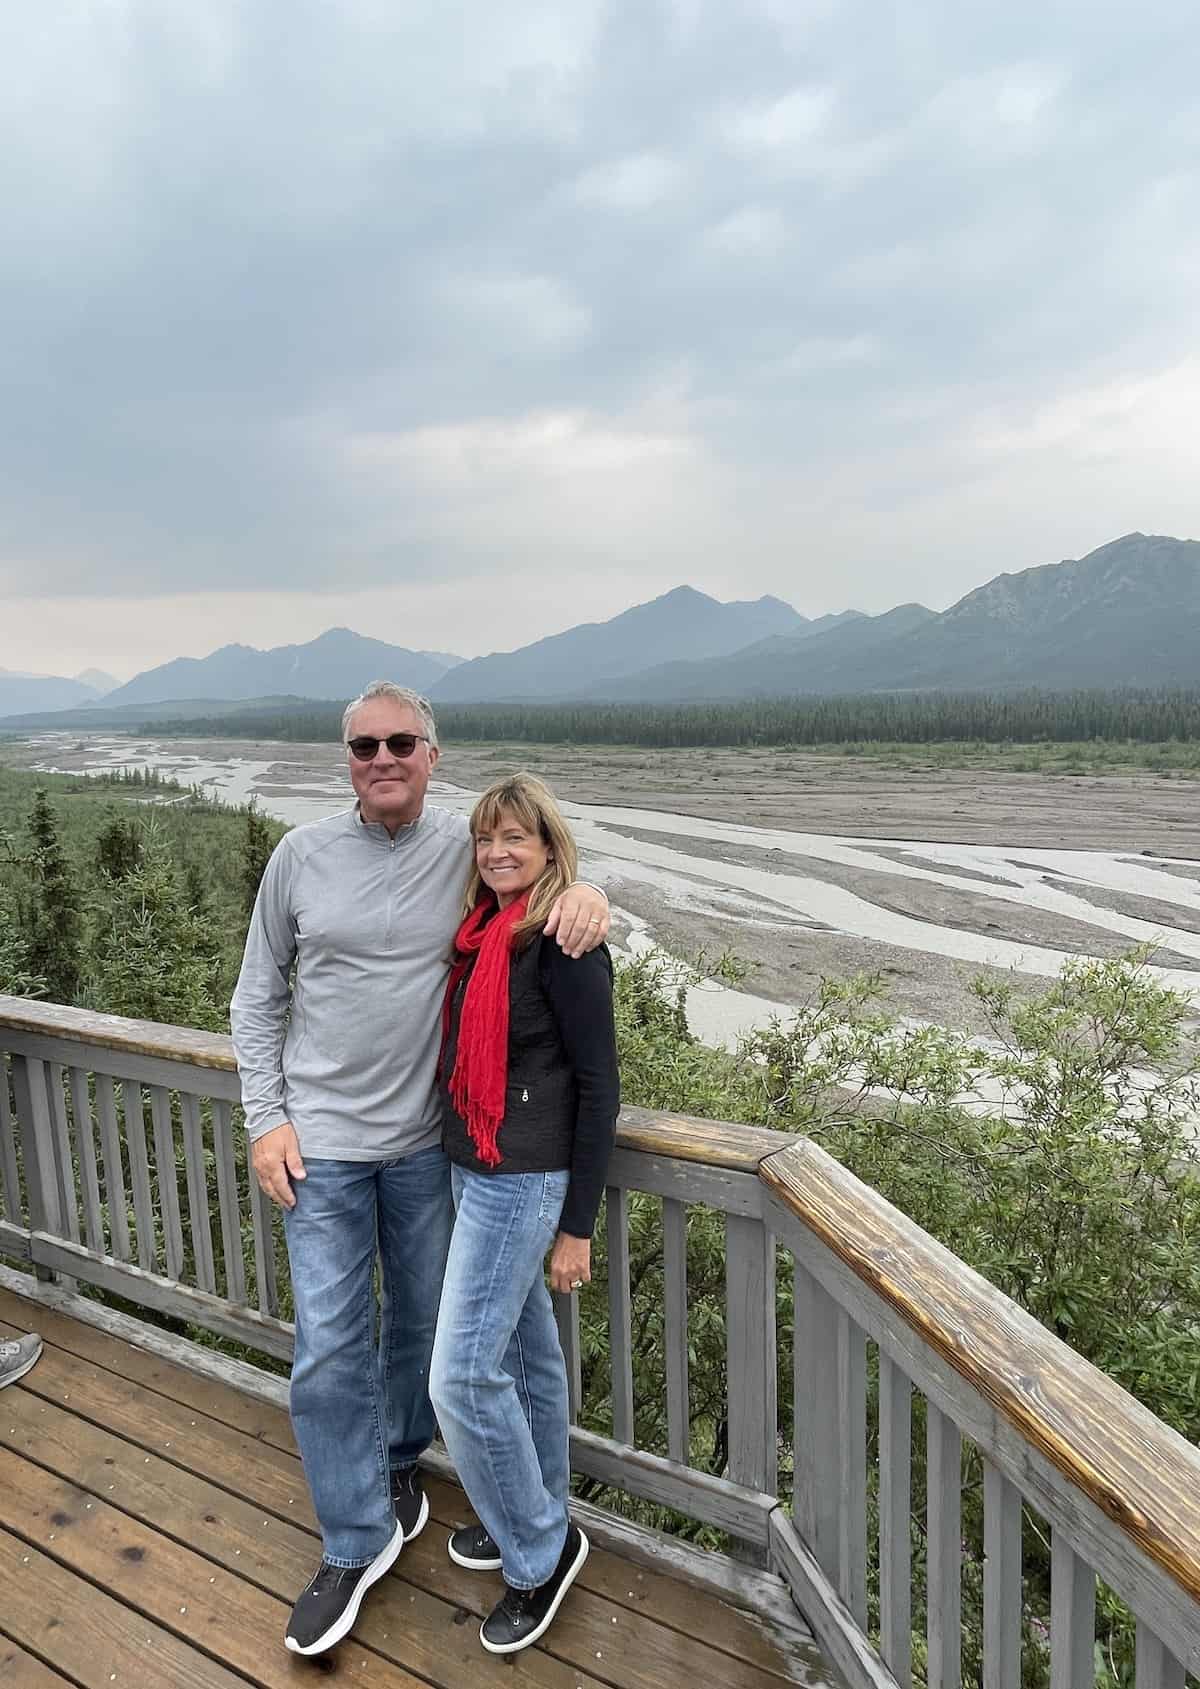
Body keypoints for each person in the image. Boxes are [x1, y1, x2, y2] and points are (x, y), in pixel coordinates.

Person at [229, 683, 609, 1658]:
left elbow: (543, 879)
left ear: (432, 754)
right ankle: (354, 1540)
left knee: (424, 1337)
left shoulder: (463, 850)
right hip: (321, 1148)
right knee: (328, 1343)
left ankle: (402, 1471)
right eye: (365, 746)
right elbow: (256, 999)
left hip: (433, 1151)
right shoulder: (300, 858)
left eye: (402, 742)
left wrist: (597, 896)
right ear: (346, 758)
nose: (383, 757)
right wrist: (267, 1119)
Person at [430, 773, 619, 1657]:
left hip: (525, 1180)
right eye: (485, 838)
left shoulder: (565, 942)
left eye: (517, 837)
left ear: (550, 847)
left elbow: (598, 1086)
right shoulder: (481, 937)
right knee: (522, 1359)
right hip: (475, 1169)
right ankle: (540, 1514)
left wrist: (577, 1224)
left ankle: (537, 1552)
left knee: (461, 1377)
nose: (498, 851)